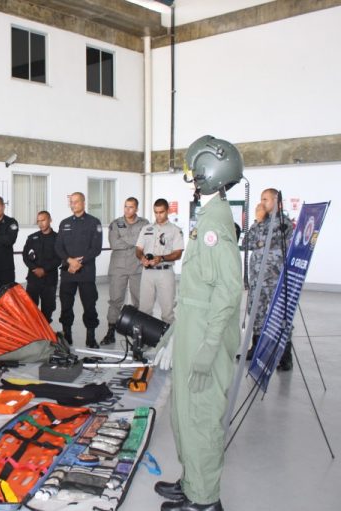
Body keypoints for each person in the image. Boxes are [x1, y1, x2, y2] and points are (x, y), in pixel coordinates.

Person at [153, 135, 244, 511]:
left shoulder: (214, 227)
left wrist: (207, 349)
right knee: (183, 413)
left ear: (207, 173)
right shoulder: (207, 214)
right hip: (193, 327)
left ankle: (206, 500)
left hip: (206, 335)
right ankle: (192, 481)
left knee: (201, 416)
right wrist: (175, 333)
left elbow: (228, 291)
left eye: (192, 171)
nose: (188, 178)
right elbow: (196, 290)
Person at [245, 189, 295, 370]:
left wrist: (259, 225)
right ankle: (256, 348)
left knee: (280, 317)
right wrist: (258, 222)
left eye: (265, 199)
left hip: (275, 280)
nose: (262, 203)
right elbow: (247, 243)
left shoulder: (284, 223)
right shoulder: (260, 222)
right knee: (256, 315)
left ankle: (285, 356)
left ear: (276, 201)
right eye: (260, 199)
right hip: (257, 280)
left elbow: (265, 242)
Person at [54, 192, 102, 348]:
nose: (73, 204)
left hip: (86, 272)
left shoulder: (94, 222)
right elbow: (58, 247)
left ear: (83, 202)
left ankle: (91, 337)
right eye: (71, 202)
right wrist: (70, 261)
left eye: (76, 201)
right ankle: (67, 337)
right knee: (66, 305)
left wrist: (79, 263)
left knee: (89, 305)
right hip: (68, 273)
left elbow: (96, 248)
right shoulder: (64, 223)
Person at [102, 197, 149, 344]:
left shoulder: (145, 223)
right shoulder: (116, 223)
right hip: (118, 267)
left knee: (139, 301)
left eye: (130, 207)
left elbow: (146, 242)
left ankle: (138, 333)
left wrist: (128, 241)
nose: (127, 210)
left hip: (137, 267)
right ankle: (111, 331)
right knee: (115, 300)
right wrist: (136, 242)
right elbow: (114, 243)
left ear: (136, 209)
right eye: (125, 207)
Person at [136, 199, 184, 324]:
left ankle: (168, 342)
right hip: (147, 273)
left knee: (167, 312)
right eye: (156, 212)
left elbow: (178, 254)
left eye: (161, 212)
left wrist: (161, 258)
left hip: (165, 272)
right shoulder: (146, 229)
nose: (158, 215)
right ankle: (144, 341)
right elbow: (138, 249)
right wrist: (142, 258)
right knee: (144, 311)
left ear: (167, 211)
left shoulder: (175, 230)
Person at [22, 211, 59, 323]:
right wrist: (34, 268)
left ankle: (45, 333)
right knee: (30, 309)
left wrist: (44, 269)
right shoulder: (32, 238)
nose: (41, 223)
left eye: (43, 220)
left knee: (48, 309)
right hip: (33, 279)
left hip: (49, 280)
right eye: (38, 221)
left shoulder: (57, 238)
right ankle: (33, 335)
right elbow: (25, 256)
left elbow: (59, 258)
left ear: (50, 220)